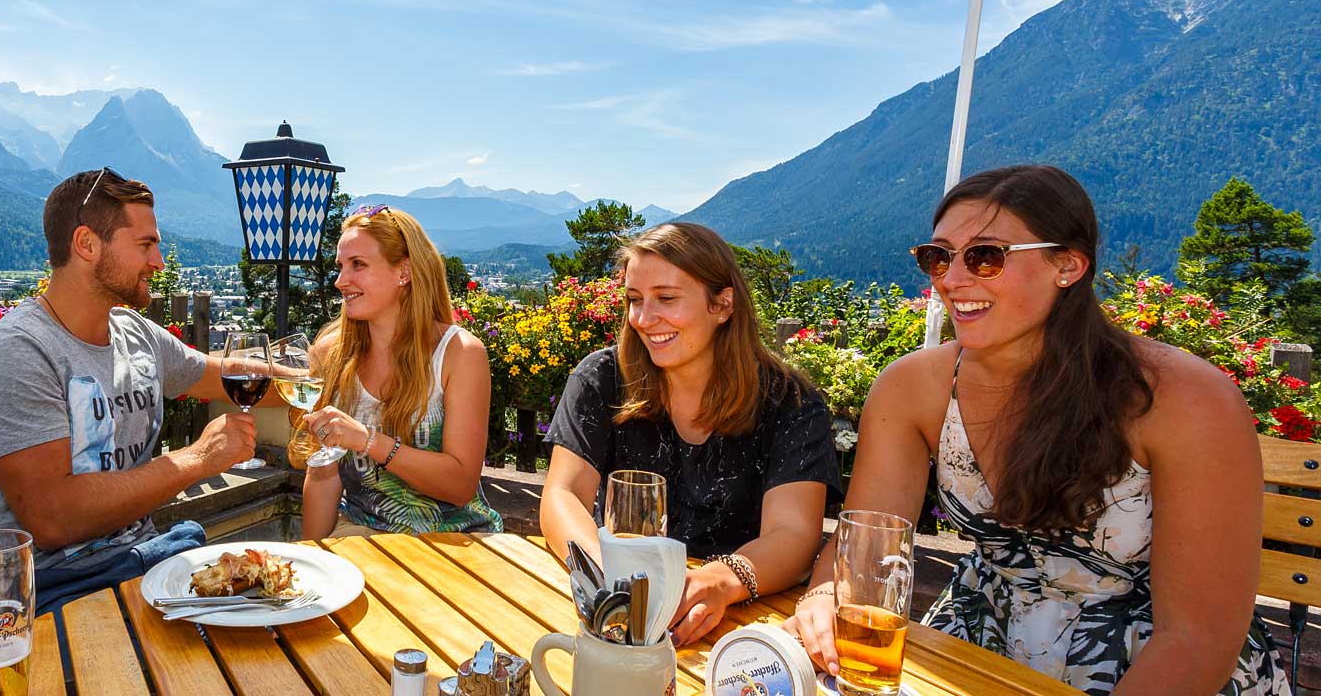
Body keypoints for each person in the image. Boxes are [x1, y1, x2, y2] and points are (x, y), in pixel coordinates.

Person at [783, 166, 1291, 695]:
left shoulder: (1183, 399)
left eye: (986, 255)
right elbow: (865, 549)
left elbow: (1195, 638)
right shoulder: (912, 387)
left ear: (1067, 266)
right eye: (939, 256)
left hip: (1152, 669)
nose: (952, 280)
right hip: (977, 648)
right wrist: (822, 600)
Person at [0, 167, 272, 612]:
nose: (158, 262)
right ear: (87, 244)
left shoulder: (133, 333)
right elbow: (54, 519)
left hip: (140, 566)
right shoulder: (16, 354)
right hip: (53, 591)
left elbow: (228, 373)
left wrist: (339, 372)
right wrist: (197, 459)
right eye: (145, 245)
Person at [538, 222, 841, 645]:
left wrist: (720, 580)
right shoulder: (601, 379)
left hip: (747, 627)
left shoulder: (789, 403)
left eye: (666, 298)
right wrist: (610, 575)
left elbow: (794, 535)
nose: (644, 319)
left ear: (722, 304)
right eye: (634, 300)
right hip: (618, 615)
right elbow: (561, 496)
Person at [295, 205, 503, 539]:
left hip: (456, 539)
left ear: (402, 272)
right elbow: (323, 474)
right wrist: (311, 560)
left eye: (358, 265)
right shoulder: (329, 354)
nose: (340, 281)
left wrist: (367, 441)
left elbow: (460, 484)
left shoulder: (459, 354)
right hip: (362, 534)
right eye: (340, 266)